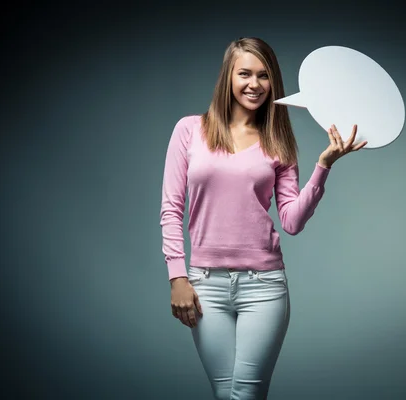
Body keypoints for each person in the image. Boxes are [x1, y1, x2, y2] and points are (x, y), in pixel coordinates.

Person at [159, 37, 367, 400]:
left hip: (264, 287)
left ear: (273, 83)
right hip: (205, 285)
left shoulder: (278, 142)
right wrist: (178, 276)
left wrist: (323, 167)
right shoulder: (189, 129)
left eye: (264, 75)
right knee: (225, 395)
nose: (254, 84)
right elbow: (171, 207)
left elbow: (292, 221)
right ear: (228, 77)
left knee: (246, 395)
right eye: (244, 74)